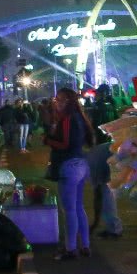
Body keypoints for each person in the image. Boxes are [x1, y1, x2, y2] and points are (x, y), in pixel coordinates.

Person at [46, 87, 93, 260]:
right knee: (79, 207)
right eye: (56, 99)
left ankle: (71, 248)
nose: (56, 103)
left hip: (69, 166)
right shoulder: (80, 118)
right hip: (81, 164)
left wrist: (48, 140)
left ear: (68, 102)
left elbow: (64, 144)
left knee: (69, 210)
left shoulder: (67, 119)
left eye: (59, 100)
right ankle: (85, 245)